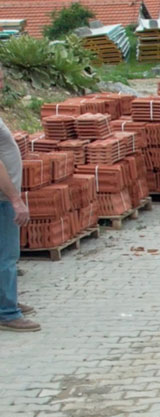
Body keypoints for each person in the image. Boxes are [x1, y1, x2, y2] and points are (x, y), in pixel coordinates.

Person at [0, 65, 38, 332]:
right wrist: (14, 198)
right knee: (7, 256)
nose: (2, 85)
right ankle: (7, 312)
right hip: (2, 199)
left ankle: (6, 300)